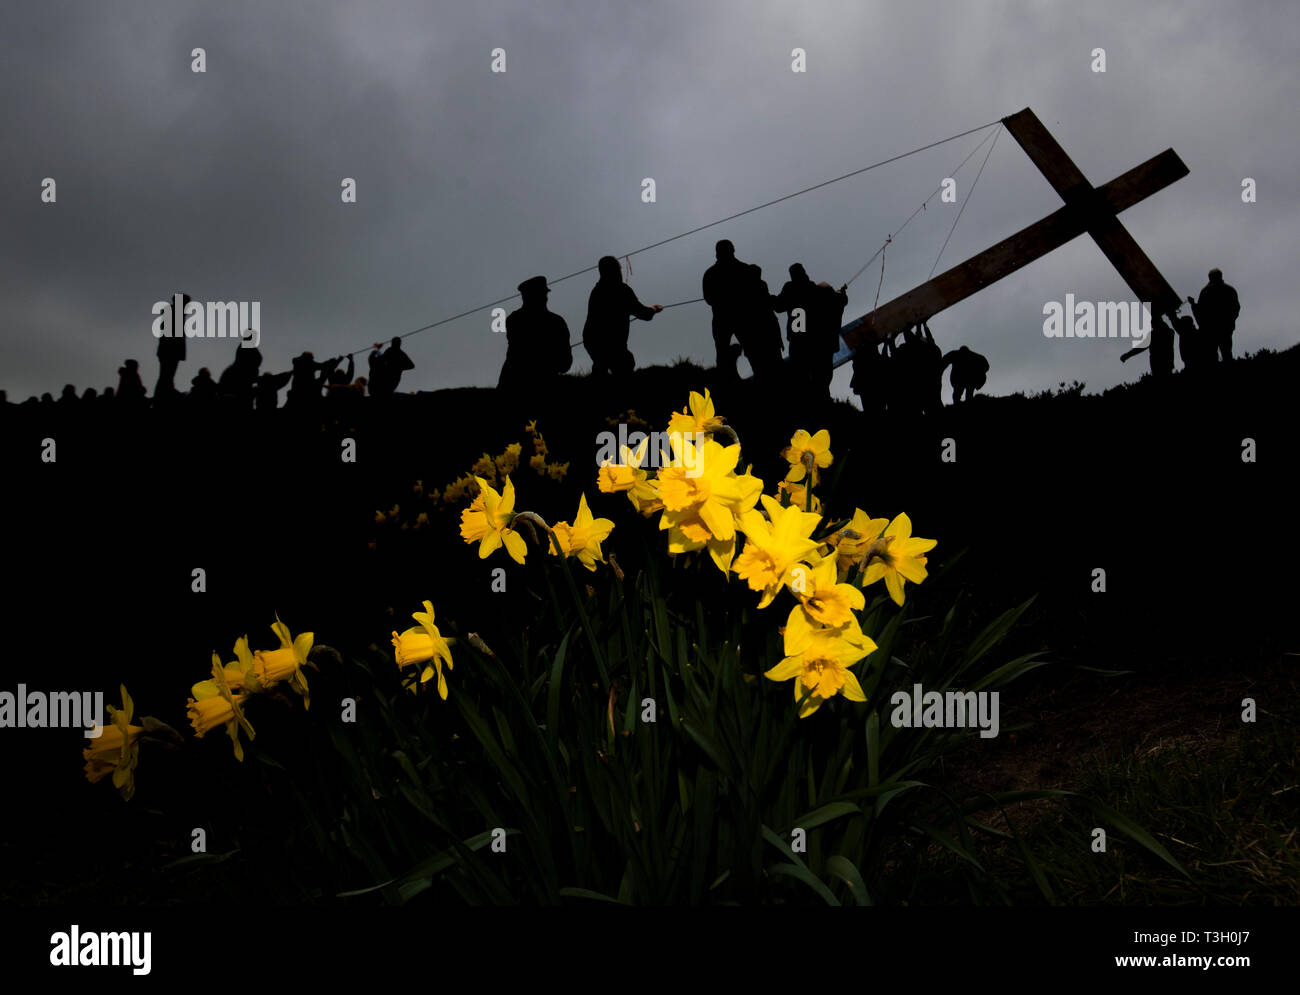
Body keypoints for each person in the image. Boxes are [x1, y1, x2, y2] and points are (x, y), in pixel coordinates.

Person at [583, 256, 661, 376]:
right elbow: (643, 313)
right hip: (613, 344)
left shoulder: (596, 291)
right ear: (615, 270)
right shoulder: (621, 290)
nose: (620, 272)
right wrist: (654, 309)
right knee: (625, 364)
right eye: (619, 269)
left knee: (601, 365)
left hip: (592, 340)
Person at [498, 276, 572, 392]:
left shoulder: (514, 320)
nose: (545, 298)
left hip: (514, 382)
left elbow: (565, 362)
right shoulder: (556, 322)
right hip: (538, 382)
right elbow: (565, 363)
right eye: (543, 294)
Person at [702, 240, 754, 380]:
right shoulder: (744, 269)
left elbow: (708, 298)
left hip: (728, 318)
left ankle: (725, 380)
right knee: (745, 349)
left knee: (731, 350)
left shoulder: (711, 273)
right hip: (735, 318)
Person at [1189, 269, 1240, 362]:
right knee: (1227, 353)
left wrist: (1193, 305)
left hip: (1210, 329)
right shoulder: (1230, 290)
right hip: (1226, 328)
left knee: (1211, 355)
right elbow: (1236, 309)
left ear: (1210, 278)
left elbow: (1201, 311)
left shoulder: (1206, 291)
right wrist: (1230, 321)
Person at [155, 292, 188, 397]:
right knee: (166, 376)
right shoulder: (174, 312)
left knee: (166, 376)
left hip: (170, 350)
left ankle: (164, 393)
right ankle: (163, 395)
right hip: (171, 350)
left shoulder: (174, 312)